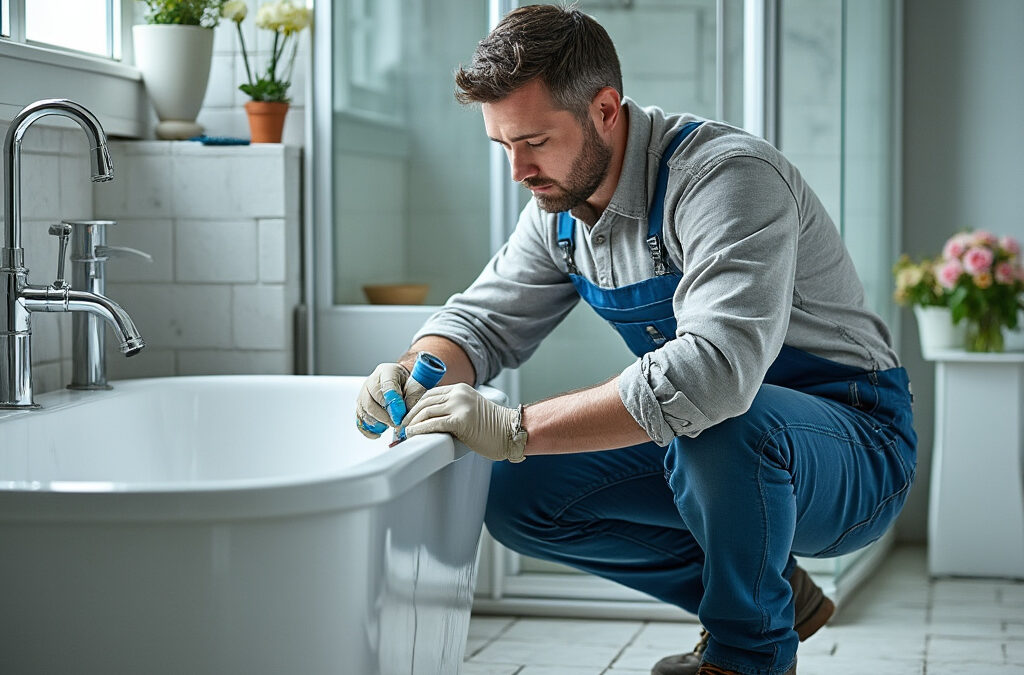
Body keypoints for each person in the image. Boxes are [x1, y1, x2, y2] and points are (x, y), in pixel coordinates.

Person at [355, 5, 916, 675]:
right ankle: (769, 597)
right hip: (723, 446)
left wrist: (516, 424)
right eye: (502, 145)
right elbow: (480, 323)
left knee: (720, 418)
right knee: (511, 491)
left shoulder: (724, 177)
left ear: (606, 110)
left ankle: (748, 655)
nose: (517, 171)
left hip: (856, 447)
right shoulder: (559, 212)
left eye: (533, 140)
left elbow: (714, 373)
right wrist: (415, 371)